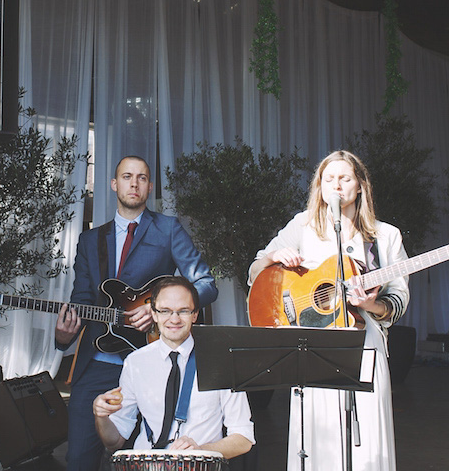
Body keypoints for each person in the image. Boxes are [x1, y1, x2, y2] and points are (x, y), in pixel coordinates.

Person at [247, 150, 409, 471]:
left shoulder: (385, 235)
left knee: (366, 440)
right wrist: (275, 256)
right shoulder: (302, 226)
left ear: (360, 185)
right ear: (319, 186)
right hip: (312, 345)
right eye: (328, 178)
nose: (336, 185)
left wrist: (369, 304)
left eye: (345, 178)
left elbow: (398, 299)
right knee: (317, 439)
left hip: (365, 349)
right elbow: (255, 271)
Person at [56, 156, 218, 471]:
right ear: (114, 185)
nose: (134, 183)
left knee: (139, 460)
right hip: (99, 364)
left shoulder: (168, 229)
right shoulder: (91, 240)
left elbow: (206, 284)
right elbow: (82, 300)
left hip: (151, 363)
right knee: (78, 460)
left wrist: (158, 309)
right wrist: (64, 337)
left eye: (142, 177)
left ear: (149, 186)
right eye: (127, 177)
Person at [92, 276, 254, 457]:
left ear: (195, 314)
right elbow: (114, 441)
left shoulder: (220, 361)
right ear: (154, 314)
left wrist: (200, 451)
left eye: (183, 311)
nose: (174, 319)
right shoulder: (136, 362)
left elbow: (243, 438)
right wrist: (101, 416)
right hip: (147, 467)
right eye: (165, 311)